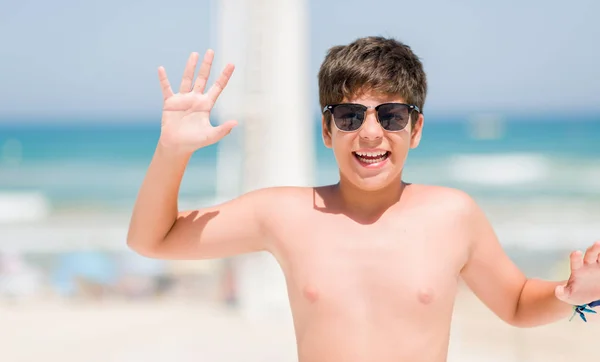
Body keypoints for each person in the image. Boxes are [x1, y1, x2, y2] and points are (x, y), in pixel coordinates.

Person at [127, 36, 600, 362]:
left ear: (415, 130)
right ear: (327, 129)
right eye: (350, 116)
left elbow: (516, 303)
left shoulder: (452, 214)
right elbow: (154, 240)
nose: (371, 132)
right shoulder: (284, 213)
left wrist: (565, 295)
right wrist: (172, 152)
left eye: (391, 115)